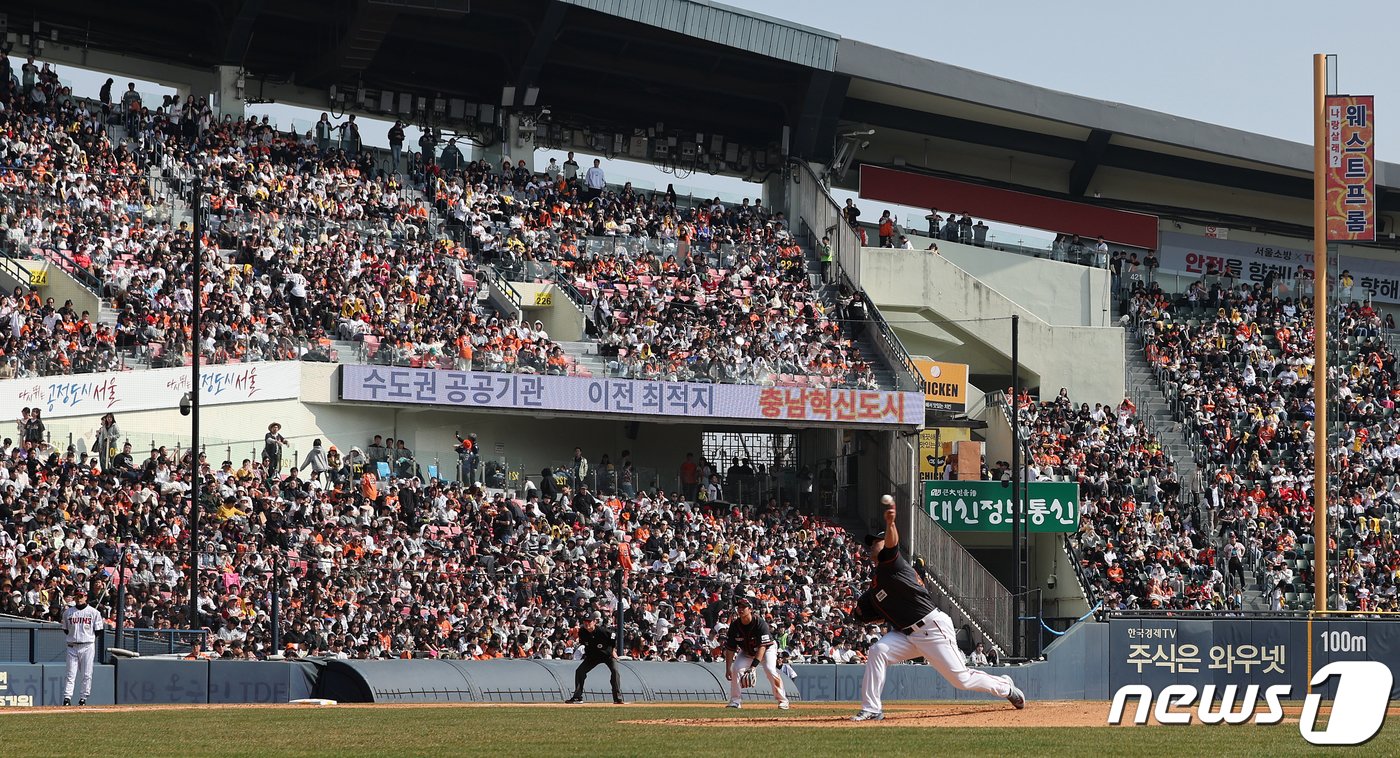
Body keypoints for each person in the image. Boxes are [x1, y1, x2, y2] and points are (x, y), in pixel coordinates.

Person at [849, 495, 1023, 721]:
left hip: (932, 628)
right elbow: (866, 613)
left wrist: (890, 524)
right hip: (907, 635)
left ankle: (1005, 687)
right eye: (871, 542)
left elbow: (891, 545)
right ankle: (872, 708)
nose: (872, 544)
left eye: (877, 540)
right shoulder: (877, 583)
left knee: (961, 680)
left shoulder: (893, 565)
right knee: (878, 651)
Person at [723, 597, 790, 709]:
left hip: (767, 649)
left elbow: (762, 647)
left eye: (744, 607)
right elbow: (730, 649)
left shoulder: (759, 623)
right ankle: (735, 701)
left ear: (750, 609)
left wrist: (753, 667)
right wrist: (727, 668)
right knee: (736, 669)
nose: (740, 609)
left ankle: (783, 700)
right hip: (747, 651)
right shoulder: (735, 626)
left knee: (769, 669)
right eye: (739, 607)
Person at [565, 612, 625, 704]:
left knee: (615, 671)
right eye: (585, 621)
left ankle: (617, 698)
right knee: (580, 671)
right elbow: (584, 642)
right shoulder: (582, 632)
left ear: (594, 622)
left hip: (607, 655)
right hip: (593, 656)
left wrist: (613, 650)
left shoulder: (602, 631)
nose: (586, 623)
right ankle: (577, 697)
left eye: (589, 621)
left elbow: (613, 636)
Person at [63, 585, 102, 706]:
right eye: (76, 596)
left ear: (86, 597)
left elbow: (99, 631)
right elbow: (65, 629)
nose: (78, 598)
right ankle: (67, 698)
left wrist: (87, 638)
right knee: (70, 674)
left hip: (87, 645)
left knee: (86, 673)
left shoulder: (94, 612)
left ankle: (83, 698)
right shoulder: (68, 612)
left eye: (81, 596)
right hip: (72, 645)